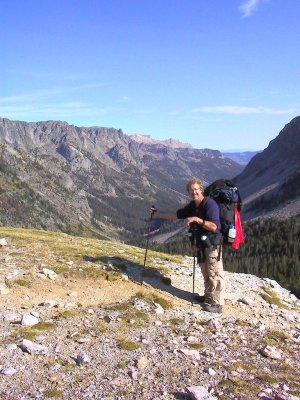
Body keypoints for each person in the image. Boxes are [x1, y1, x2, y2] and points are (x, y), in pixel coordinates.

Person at [151, 177, 224, 313]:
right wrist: (156, 215)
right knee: (205, 271)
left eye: (196, 189)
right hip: (201, 244)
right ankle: (208, 297)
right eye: (191, 191)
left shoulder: (210, 205)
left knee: (214, 272)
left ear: (201, 189)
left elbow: (215, 226)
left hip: (213, 243)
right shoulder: (192, 206)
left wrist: (197, 219)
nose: (193, 192)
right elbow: (176, 215)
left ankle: (217, 304)